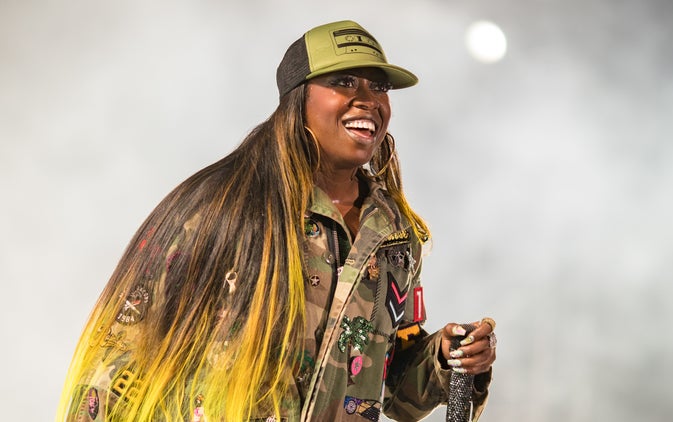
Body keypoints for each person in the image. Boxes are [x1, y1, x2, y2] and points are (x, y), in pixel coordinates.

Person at [57, 20, 497, 421]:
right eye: (344, 82)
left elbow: (392, 392)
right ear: (298, 97)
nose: (369, 100)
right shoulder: (222, 206)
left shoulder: (395, 237)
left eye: (379, 88)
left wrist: (445, 358)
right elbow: (118, 358)